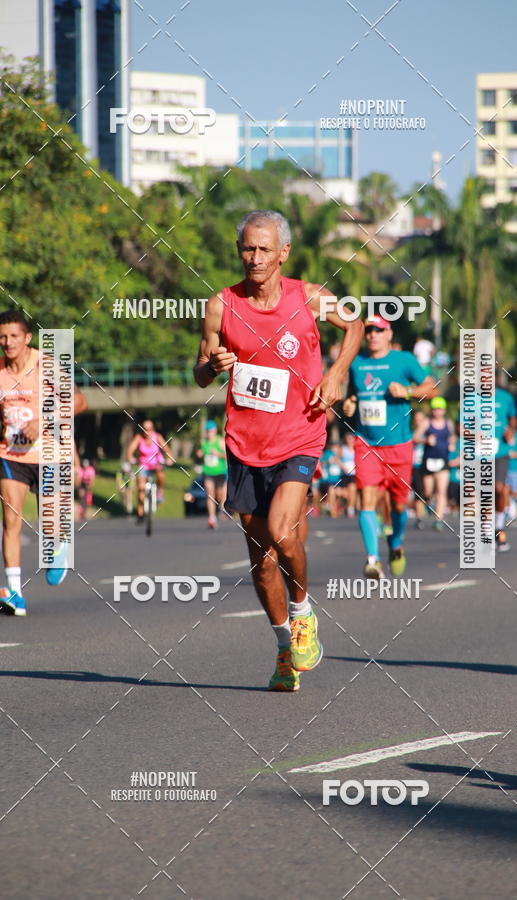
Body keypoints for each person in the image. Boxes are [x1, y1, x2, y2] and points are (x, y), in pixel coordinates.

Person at [193, 209, 363, 692]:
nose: (255, 257)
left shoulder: (308, 297)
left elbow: (354, 326)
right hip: (245, 443)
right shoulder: (221, 305)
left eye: (265, 249)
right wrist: (213, 365)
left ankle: (303, 613)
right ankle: (285, 646)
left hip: (299, 435)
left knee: (283, 531)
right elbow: (199, 371)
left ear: (283, 253)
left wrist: (336, 373)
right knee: (262, 561)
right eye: (248, 248)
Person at [0, 309, 88, 616]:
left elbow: (79, 402)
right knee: (10, 522)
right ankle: (15, 594)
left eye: (14, 336)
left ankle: (58, 548)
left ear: (27, 338)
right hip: (12, 455)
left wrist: (43, 421)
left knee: (49, 524)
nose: (8, 342)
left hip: (50, 453)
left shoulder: (46, 366)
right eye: (2, 337)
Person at [343, 315, 436, 579]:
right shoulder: (357, 362)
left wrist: (408, 392)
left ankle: (395, 543)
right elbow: (352, 395)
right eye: (369, 331)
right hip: (366, 443)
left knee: (398, 505)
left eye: (378, 330)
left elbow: (432, 388)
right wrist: (348, 404)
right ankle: (372, 560)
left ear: (389, 334)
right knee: (367, 498)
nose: (373, 335)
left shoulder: (403, 360)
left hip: (399, 445)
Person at [127, 419, 172, 522]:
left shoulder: (157, 437)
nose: (147, 431)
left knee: (160, 473)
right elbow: (130, 450)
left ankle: (160, 492)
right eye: (145, 429)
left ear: (153, 429)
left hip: (156, 464)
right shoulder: (139, 438)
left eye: (149, 429)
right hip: (144, 465)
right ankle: (140, 513)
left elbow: (166, 449)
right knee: (141, 488)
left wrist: (169, 458)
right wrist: (131, 458)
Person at [492, 377, 517, 551]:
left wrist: (510, 431)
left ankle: (499, 527)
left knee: (499, 488)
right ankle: (486, 531)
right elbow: (460, 425)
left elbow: (513, 419)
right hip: (480, 452)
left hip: (500, 450)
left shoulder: (505, 397)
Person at [419, 397, 453, 531]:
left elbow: (452, 436)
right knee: (427, 492)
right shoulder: (426, 422)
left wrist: (452, 443)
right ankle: (429, 503)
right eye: (435, 409)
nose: (437, 411)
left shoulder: (448, 423)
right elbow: (415, 437)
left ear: (444, 410)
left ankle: (439, 519)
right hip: (428, 461)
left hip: (443, 461)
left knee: (441, 491)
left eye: (440, 409)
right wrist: (425, 440)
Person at [196, 420, 227, 529]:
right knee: (210, 494)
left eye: (211, 431)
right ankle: (212, 518)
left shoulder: (220, 441)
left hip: (220, 472)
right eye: (208, 431)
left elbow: (227, 456)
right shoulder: (204, 443)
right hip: (208, 472)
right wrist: (199, 454)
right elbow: (200, 455)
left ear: (215, 431)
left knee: (219, 495)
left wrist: (217, 454)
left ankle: (220, 508)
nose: (209, 433)